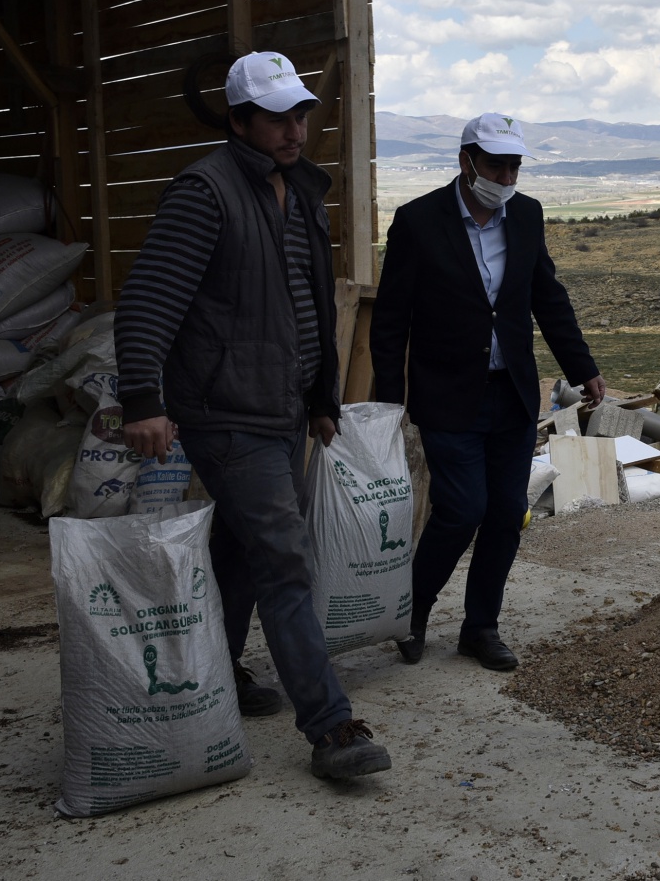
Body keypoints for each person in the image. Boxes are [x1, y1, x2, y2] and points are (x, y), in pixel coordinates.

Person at [116, 51, 392, 780]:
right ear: (239, 121)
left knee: (244, 551)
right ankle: (331, 727)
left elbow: (312, 301)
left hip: (281, 409)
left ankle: (217, 674)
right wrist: (142, 399)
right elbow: (148, 298)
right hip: (226, 412)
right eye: (276, 118)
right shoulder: (205, 193)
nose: (294, 129)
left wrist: (322, 398)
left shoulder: (299, 192)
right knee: (284, 555)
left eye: (299, 113)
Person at [371, 112, 606, 671]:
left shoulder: (526, 215)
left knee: (505, 513)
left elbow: (547, 296)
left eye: (514, 166)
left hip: (512, 393)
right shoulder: (418, 220)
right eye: (496, 166)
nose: (506, 178)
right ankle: (412, 612)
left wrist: (582, 368)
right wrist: (389, 400)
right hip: (448, 394)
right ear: (466, 161)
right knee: (461, 510)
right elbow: (391, 318)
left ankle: (480, 627)